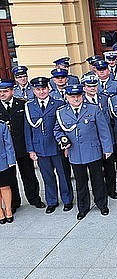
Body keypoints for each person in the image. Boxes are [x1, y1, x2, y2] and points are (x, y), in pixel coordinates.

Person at [54, 85, 113, 220]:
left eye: (78, 96)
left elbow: (103, 130)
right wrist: (62, 139)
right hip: (75, 153)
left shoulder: (93, 109)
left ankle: (102, 204)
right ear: (67, 97)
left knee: (97, 180)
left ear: (82, 95)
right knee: (81, 183)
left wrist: (107, 148)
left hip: (93, 150)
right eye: (72, 96)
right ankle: (83, 207)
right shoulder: (62, 112)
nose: (76, 99)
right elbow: (57, 130)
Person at [24, 77, 74, 213]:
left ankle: (67, 200)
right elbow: (27, 129)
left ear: (48, 89)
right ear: (34, 91)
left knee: (63, 175)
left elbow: (64, 126)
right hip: (40, 148)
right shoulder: (29, 106)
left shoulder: (58, 103)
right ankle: (51, 201)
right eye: (38, 89)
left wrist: (65, 145)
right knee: (47, 176)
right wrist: (31, 149)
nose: (41, 92)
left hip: (57, 146)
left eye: (44, 88)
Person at [0, 79, 46, 210]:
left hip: (22, 146)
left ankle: (34, 198)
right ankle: (14, 203)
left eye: (5, 91)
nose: (2, 94)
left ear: (12, 91)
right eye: (0, 92)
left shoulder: (22, 104)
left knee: (29, 174)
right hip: (5, 150)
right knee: (10, 177)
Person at [0, 119, 16, 223]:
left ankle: (8, 209)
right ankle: (0, 212)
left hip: (2, 161)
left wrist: (11, 160)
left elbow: (8, 144)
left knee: (5, 186)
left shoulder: (2, 125)